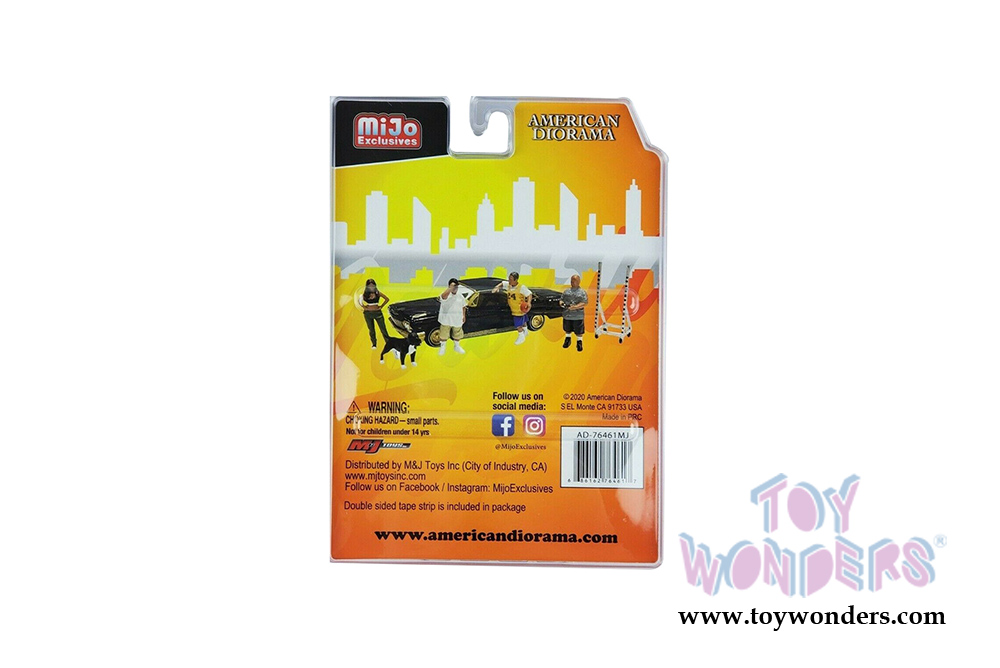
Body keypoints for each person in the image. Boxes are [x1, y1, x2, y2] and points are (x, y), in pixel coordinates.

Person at [492, 272, 532, 345]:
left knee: (518, 325)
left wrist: (529, 303)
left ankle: (521, 336)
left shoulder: (521, 287)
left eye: (511, 279)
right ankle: (525, 331)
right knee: (523, 320)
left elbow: (529, 294)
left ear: (516, 280)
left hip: (519, 309)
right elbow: (502, 283)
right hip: (513, 308)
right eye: (509, 279)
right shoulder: (509, 285)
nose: (509, 281)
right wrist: (496, 287)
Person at [437, 278, 467, 356]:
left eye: (456, 286)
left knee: (457, 333)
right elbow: (443, 297)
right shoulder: (446, 294)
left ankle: (457, 346)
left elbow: (463, 306)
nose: (454, 288)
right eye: (453, 286)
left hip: (457, 318)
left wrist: (463, 315)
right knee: (444, 334)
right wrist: (450, 288)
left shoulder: (460, 295)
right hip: (446, 318)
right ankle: (443, 347)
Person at [559, 274, 588, 352]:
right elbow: (561, 299)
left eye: (575, 281)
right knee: (567, 328)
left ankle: (579, 341)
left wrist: (575, 307)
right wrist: (562, 304)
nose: (573, 282)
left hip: (578, 315)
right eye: (572, 281)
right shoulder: (566, 291)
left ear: (579, 282)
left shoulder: (582, 292)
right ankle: (567, 339)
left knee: (579, 330)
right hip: (567, 314)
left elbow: (584, 302)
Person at [359, 278, 390, 349]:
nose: (371, 287)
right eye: (370, 286)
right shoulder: (365, 295)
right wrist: (364, 307)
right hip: (368, 314)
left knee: (383, 329)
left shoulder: (377, 293)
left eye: (372, 285)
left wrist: (381, 306)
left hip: (377, 313)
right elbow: (359, 301)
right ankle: (374, 344)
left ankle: (388, 343)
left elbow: (387, 299)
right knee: (371, 330)